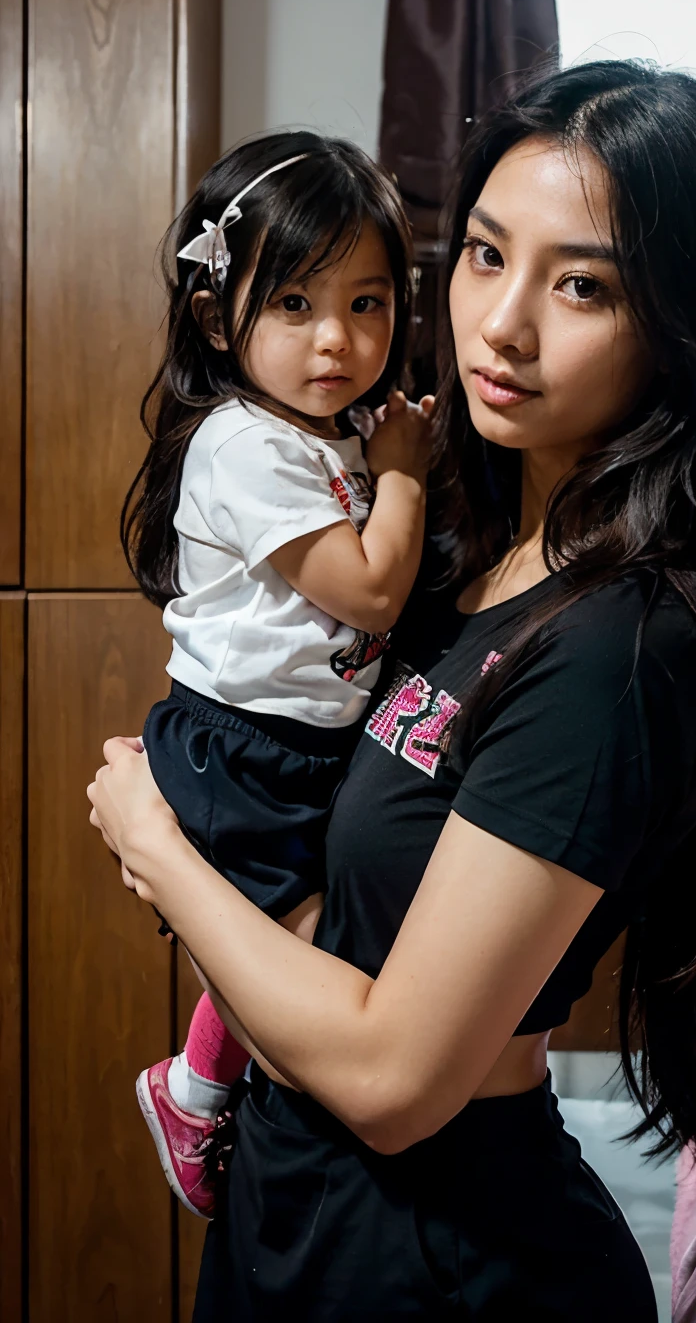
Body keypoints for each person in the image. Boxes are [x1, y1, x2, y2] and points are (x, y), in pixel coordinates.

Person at [89, 60, 696, 1321]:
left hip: (446, 1253)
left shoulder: (624, 645)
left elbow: (394, 1076)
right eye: (481, 255)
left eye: (581, 284)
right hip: (295, 1206)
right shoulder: (459, 551)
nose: (502, 324)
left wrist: (158, 849)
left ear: (689, 323)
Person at [120, 130, 432, 1217]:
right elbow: (370, 591)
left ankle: (210, 1090)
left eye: (368, 303)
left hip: (307, 744)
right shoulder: (244, 446)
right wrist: (402, 478)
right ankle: (197, 1093)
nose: (338, 340)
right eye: (294, 304)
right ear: (219, 317)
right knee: (303, 986)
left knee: (312, 963)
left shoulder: (323, 433)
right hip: (244, 751)